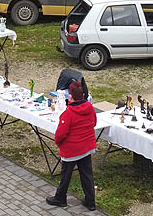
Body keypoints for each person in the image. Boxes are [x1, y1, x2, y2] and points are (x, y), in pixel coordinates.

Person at [47, 81, 97, 211]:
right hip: (87, 147)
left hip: (72, 150)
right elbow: (94, 123)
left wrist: (60, 144)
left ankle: (60, 198)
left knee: (66, 175)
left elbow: (60, 135)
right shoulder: (90, 107)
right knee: (87, 174)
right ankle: (90, 201)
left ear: (70, 97)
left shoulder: (68, 114)